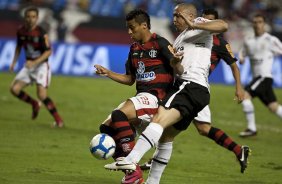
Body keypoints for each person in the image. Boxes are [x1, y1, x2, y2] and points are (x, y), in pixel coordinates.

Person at [104, 3, 250, 183]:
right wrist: (174, 63)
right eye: (174, 16)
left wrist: (194, 24)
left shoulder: (199, 25)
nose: (174, 20)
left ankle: (130, 160)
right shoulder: (179, 40)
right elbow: (180, 69)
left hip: (190, 85)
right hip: (195, 89)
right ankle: (152, 181)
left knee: (158, 120)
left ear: (189, 15)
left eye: (178, 16)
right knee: (166, 138)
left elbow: (223, 25)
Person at [140, 8, 249, 174]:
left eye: (209, 21)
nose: (204, 23)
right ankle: (238, 150)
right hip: (185, 86)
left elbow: (233, 65)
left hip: (195, 87)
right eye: (203, 19)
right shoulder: (189, 35)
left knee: (192, 126)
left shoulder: (219, 43)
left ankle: (238, 150)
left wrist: (239, 87)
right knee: (175, 125)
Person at [94, 9, 180, 184]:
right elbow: (130, 79)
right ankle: (132, 175)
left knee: (119, 115)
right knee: (107, 128)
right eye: (127, 28)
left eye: (132, 28)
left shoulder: (161, 43)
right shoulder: (133, 49)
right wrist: (108, 73)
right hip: (142, 98)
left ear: (144, 25)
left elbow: (178, 68)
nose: (129, 32)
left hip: (156, 99)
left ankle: (134, 170)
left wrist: (177, 63)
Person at [9, 6, 64, 128]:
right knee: (14, 89)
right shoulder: (21, 31)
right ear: (25, 18)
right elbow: (18, 46)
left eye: (33, 17)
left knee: (42, 95)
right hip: (29, 66)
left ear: (37, 18)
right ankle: (34, 104)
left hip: (41, 66)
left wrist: (35, 62)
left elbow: (48, 52)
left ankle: (58, 120)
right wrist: (14, 62)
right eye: (28, 17)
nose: (30, 19)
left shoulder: (41, 33)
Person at [239, 14, 282, 137]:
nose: (257, 24)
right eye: (255, 22)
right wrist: (241, 58)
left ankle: (251, 128)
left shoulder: (271, 40)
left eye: (260, 22)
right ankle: (251, 128)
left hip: (264, 77)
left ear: (264, 24)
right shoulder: (249, 41)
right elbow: (242, 52)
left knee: (245, 96)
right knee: (273, 107)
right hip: (257, 78)